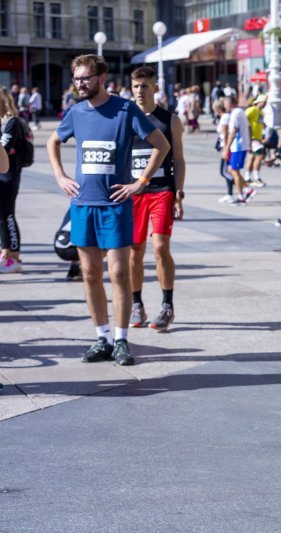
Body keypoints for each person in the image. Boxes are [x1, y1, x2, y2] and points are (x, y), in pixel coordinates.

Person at [46, 54, 170, 366]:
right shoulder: (75, 113)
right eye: (76, 78)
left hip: (115, 205)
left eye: (85, 78)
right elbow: (52, 142)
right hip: (82, 205)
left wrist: (139, 182)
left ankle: (121, 339)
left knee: (118, 272)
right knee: (89, 274)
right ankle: (101, 337)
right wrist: (60, 176)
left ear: (101, 78)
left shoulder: (125, 109)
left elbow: (162, 145)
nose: (79, 83)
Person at [127, 67, 185, 333]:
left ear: (155, 88)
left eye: (145, 86)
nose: (140, 91)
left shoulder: (169, 120)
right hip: (133, 193)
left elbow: (179, 160)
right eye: (136, 86)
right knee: (134, 251)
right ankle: (136, 303)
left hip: (162, 190)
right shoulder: (126, 117)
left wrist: (179, 193)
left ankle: (167, 305)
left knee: (160, 248)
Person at [0, 88, 24, 273]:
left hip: (9, 175)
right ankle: (6, 252)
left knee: (7, 215)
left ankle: (13, 255)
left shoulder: (11, 122)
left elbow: (5, 147)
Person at [222, 96, 256, 206]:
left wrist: (226, 147)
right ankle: (247, 189)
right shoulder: (240, 112)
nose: (224, 105)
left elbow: (233, 131)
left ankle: (241, 196)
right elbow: (249, 128)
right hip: (240, 145)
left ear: (230, 103)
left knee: (235, 171)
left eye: (225, 103)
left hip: (238, 146)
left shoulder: (236, 114)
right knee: (231, 169)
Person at [213, 99, 236, 203]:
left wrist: (226, 149)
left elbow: (225, 133)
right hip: (225, 146)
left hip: (226, 147)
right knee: (226, 171)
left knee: (224, 171)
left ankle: (243, 187)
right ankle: (230, 193)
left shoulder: (225, 117)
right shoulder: (224, 117)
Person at [244, 94, 267, 187]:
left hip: (258, 138)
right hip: (252, 137)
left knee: (252, 158)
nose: (265, 104)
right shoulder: (252, 109)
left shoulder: (262, 113)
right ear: (259, 102)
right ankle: (256, 177)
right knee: (259, 156)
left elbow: (259, 124)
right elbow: (244, 118)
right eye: (264, 102)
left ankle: (247, 178)